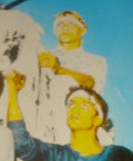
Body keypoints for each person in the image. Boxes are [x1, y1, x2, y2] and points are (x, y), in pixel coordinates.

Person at [38, 10, 108, 144]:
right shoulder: (43, 55)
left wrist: (59, 69)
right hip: (42, 121)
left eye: (70, 24)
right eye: (60, 24)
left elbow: (91, 84)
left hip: (74, 123)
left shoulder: (95, 61)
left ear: (83, 30)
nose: (64, 27)